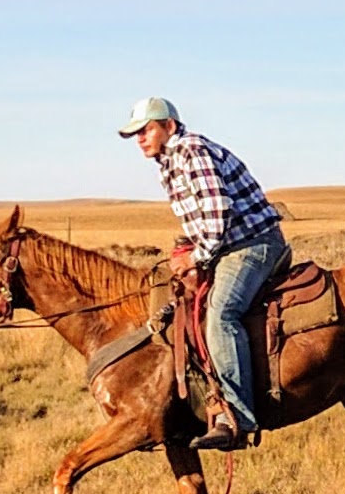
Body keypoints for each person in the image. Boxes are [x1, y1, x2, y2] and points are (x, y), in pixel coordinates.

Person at [118, 96, 289, 449]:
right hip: (227, 246)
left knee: (221, 315)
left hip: (252, 245)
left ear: (169, 126)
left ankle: (236, 417)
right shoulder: (169, 162)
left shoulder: (190, 151)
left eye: (146, 129)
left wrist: (195, 257)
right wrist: (184, 248)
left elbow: (217, 218)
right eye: (135, 133)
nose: (140, 139)